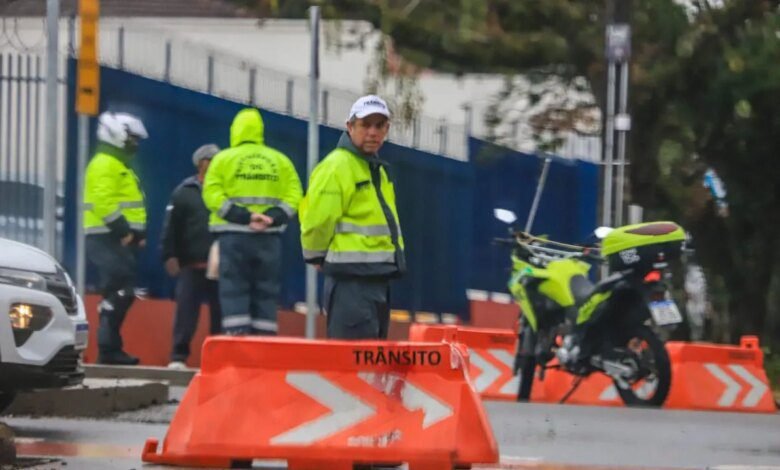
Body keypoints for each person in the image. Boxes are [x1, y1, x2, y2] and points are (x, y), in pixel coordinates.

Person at [300, 95, 406, 339]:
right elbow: (318, 220)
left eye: (379, 125)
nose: (373, 132)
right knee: (353, 359)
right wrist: (316, 256)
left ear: (387, 129)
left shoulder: (375, 169)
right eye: (365, 124)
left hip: (376, 281)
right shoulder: (337, 166)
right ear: (350, 126)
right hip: (351, 283)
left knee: (369, 359)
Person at [202, 108, 303, 335]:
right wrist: (273, 217)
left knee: (234, 291)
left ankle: (237, 342)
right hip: (270, 239)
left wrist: (244, 217)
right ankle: (264, 343)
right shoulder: (280, 161)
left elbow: (211, 195)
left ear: (235, 130)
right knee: (266, 293)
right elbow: (295, 195)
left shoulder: (222, 160)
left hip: (233, 237)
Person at [83, 111, 148, 365]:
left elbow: (128, 205)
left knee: (119, 290)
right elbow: (104, 202)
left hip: (115, 238)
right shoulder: (105, 164)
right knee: (121, 290)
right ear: (118, 135)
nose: (135, 143)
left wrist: (136, 235)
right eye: (132, 138)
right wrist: (125, 231)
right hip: (106, 237)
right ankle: (108, 349)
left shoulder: (118, 165)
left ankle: (110, 349)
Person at [161, 144, 223, 369]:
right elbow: (171, 227)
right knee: (186, 313)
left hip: (220, 266)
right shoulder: (184, 192)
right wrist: (169, 255)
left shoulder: (227, 191)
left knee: (221, 315)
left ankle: (218, 359)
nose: (215, 163)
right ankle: (178, 357)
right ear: (200, 163)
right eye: (210, 159)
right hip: (191, 264)